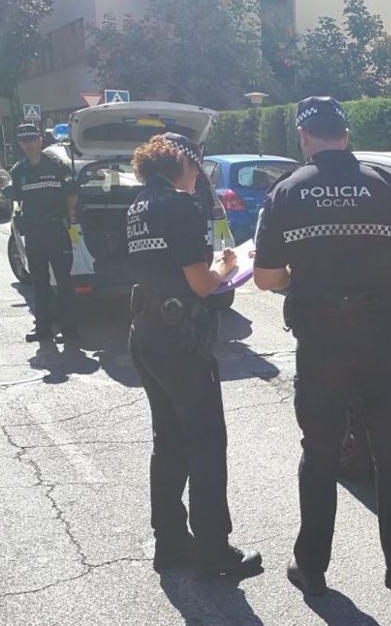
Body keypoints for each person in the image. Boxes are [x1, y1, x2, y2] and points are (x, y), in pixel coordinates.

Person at [253, 97, 391, 596]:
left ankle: (311, 566)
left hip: (323, 344)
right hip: (381, 340)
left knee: (319, 453)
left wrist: (303, 276)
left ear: (303, 137)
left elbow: (266, 277)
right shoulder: (382, 185)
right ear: (347, 134)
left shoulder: (287, 192)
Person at [126, 132, 262, 580]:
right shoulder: (179, 206)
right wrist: (227, 264)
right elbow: (202, 284)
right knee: (206, 444)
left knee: (168, 441)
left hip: (146, 331)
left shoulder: (139, 205)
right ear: (182, 161)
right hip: (180, 339)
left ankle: (170, 543)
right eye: (197, 163)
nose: (199, 173)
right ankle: (213, 551)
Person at [6, 123, 80, 343]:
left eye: (33, 140)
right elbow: (16, 197)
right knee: (38, 282)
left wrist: (71, 216)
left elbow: (72, 192)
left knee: (64, 282)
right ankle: (43, 329)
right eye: (25, 141)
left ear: (40, 140)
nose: (30, 144)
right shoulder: (19, 171)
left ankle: (69, 331)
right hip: (34, 232)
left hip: (56, 229)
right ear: (21, 143)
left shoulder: (57, 166)